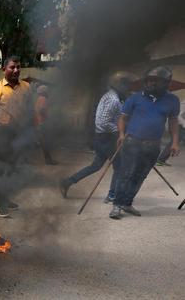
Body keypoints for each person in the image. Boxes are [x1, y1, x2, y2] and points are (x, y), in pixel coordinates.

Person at [109, 66, 180, 219]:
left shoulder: (173, 100)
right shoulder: (134, 98)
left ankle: (127, 203)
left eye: (156, 80)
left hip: (154, 146)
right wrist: (121, 134)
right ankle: (116, 205)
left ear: (166, 82)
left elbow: (173, 122)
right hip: (132, 142)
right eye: (149, 80)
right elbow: (123, 118)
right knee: (126, 174)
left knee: (140, 176)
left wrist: (175, 142)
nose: (152, 84)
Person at [59, 71, 138, 202]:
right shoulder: (113, 99)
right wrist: (121, 133)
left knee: (96, 165)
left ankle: (68, 181)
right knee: (120, 166)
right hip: (107, 138)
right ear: (120, 84)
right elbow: (104, 123)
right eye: (128, 84)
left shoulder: (112, 96)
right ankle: (112, 195)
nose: (130, 87)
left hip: (101, 137)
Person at [0, 56, 36, 217]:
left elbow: (31, 112)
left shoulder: (26, 88)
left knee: (14, 169)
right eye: (12, 67)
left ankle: (5, 198)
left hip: (19, 135)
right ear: (4, 70)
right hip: (1, 134)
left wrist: (34, 131)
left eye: (18, 67)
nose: (16, 70)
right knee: (0, 169)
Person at [155, 99, 185, 166]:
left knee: (174, 142)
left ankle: (161, 159)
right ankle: (161, 159)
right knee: (174, 142)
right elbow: (179, 115)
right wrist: (184, 124)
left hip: (182, 126)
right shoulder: (184, 104)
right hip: (180, 126)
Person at [35, 85, 59, 165]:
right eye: (47, 92)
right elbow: (41, 110)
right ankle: (48, 160)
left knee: (40, 142)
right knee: (45, 142)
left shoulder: (39, 99)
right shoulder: (43, 99)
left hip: (38, 123)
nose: (48, 94)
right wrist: (46, 119)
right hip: (42, 123)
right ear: (44, 92)